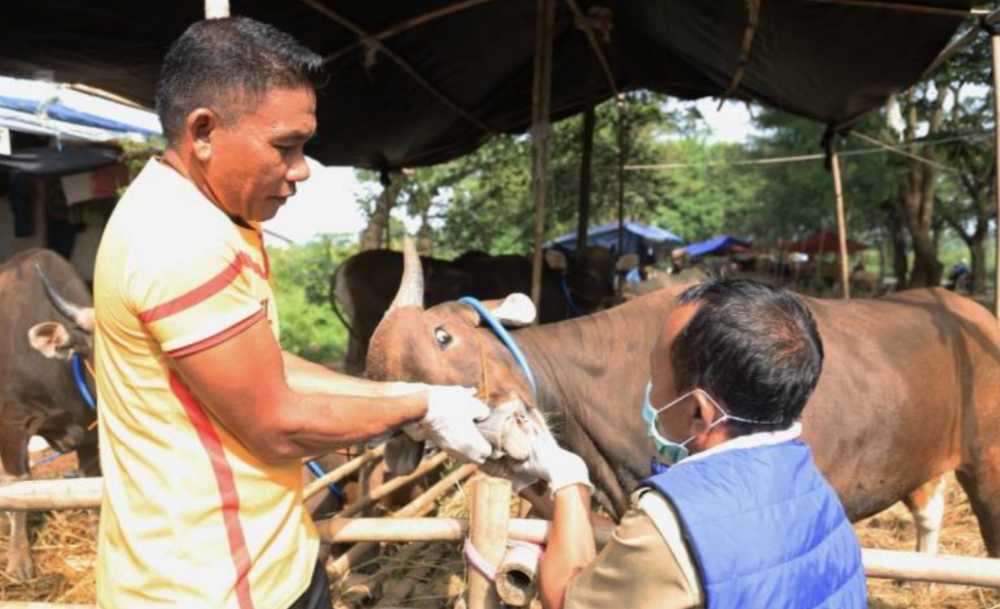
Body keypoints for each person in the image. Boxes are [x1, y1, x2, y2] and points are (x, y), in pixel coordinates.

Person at [92, 18, 494, 609]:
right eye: (287, 146)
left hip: (265, 560)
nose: (302, 168)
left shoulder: (210, 216)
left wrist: (389, 395)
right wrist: (420, 405)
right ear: (203, 131)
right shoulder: (179, 240)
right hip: (211, 588)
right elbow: (275, 423)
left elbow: (264, 365)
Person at [508, 279, 867, 609]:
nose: (647, 389)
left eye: (654, 374)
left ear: (699, 411)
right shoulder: (817, 490)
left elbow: (568, 601)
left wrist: (568, 482)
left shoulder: (672, 521)